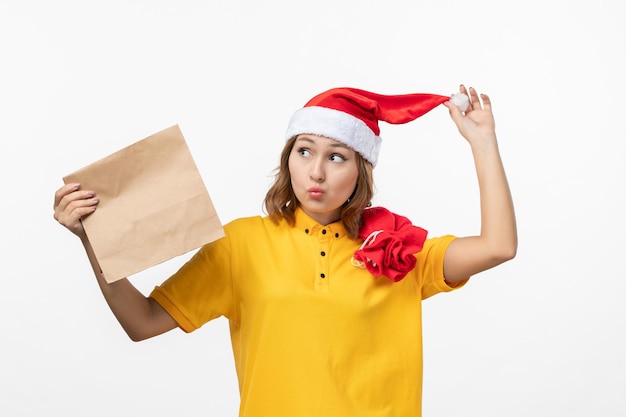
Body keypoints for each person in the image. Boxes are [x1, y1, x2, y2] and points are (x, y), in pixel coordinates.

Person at [54, 84, 517, 416]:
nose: (316, 171)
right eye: (304, 151)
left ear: (361, 171)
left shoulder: (401, 250)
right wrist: (94, 243)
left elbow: (498, 246)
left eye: (336, 156)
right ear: (288, 159)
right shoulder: (242, 243)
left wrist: (483, 143)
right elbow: (143, 322)